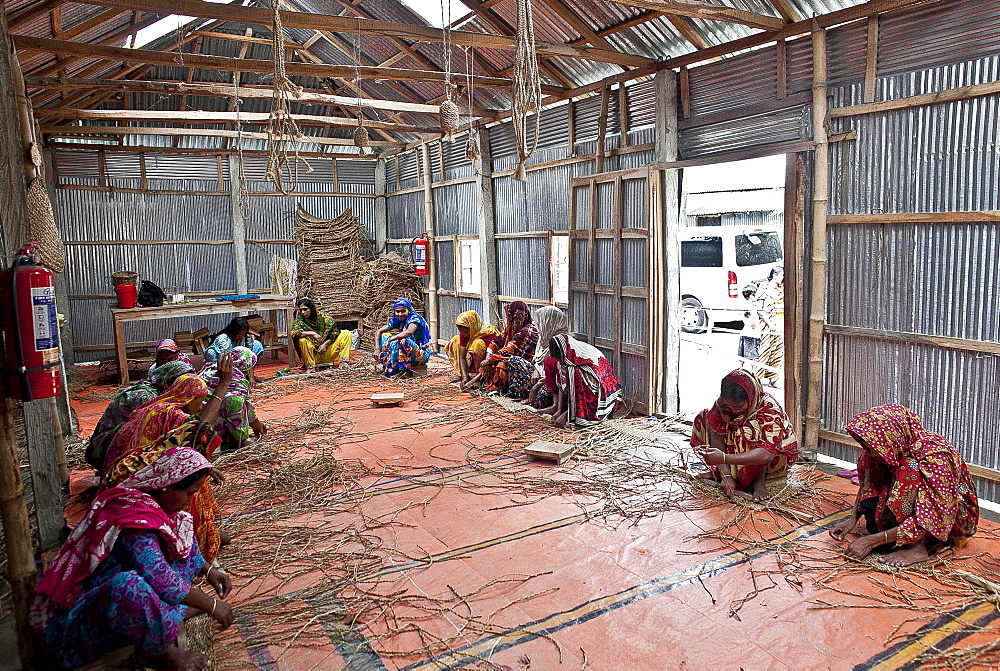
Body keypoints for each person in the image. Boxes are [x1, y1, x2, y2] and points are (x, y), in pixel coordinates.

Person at [30, 447, 234, 670]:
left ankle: (165, 614)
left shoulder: (156, 506)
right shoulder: (134, 521)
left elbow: (184, 547)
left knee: (181, 526)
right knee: (128, 586)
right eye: (187, 493)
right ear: (166, 485)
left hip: (115, 612)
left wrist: (208, 570)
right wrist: (213, 606)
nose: (189, 501)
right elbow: (162, 581)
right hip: (78, 627)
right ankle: (163, 653)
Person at [103, 357, 234, 563]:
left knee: (196, 471)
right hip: (134, 475)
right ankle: (197, 541)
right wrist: (224, 384)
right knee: (194, 486)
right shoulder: (172, 414)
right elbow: (198, 428)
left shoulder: (156, 405)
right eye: (200, 401)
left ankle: (203, 535)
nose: (200, 406)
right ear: (189, 398)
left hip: (124, 468)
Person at [829, 404, 979, 567]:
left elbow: (935, 516)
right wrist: (853, 518)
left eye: (870, 447)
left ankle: (916, 547)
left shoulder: (937, 458)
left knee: (909, 469)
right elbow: (867, 483)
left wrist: (871, 541)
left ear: (893, 436)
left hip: (948, 518)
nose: (870, 451)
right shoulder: (890, 447)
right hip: (919, 512)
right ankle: (892, 532)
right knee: (871, 460)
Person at [692, 369, 798, 501]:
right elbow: (717, 437)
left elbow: (767, 453)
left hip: (774, 458)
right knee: (704, 418)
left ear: (751, 397)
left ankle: (758, 481)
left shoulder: (769, 408)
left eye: (739, 406)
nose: (734, 411)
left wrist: (723, 459)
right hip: (734, 454)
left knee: (747, 431)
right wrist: (726, 476)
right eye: (730, 407)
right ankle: (727, 473)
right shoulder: (724, 404)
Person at [86, 360, 195, 471]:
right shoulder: (146, 396)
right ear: (168, 382)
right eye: (184, 384)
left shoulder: (159, 392)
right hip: (105, 447)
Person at [540, 333, 621, 428]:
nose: (560, 362)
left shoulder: (579, 368)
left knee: (574, 374)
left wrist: (568, 416)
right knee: (562, 368)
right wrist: (559, 410)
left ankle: (573, 413)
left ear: (564, 354)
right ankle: (562, 409)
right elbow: (562, 383)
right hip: (583, 393)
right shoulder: (567, 358)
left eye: (560, 359)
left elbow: (580, 394)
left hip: (599, 397)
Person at [199, 346, 268, 450]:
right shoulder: (237, 382)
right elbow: (248, 409)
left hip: (196, 423)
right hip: (209, 428)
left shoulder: (210, 369)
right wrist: (258, 428)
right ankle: (239, 441)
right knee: (236, 402)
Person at [471, 301, 538, 398]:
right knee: (495, 360)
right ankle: (478, 382)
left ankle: (499, 389)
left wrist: (489, 361)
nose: (509, 320)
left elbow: (508, 349)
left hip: (527, 364)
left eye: (511, 317)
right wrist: (488, 358)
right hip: (512, 359)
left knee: (501, 364)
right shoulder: (511, 328)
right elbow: (496, 341)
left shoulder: (527, 330)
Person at [372, 298, 432, 378]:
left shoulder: (414, 319)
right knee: (384, 336)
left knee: (403, 340)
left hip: (421, 354)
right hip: (410, 352)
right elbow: (378, 332)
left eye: (403, 311)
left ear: (409, 310)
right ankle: (386, 365)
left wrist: (391, 339)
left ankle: (404, 371)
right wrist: (377, 349)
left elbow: (409, 332)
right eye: (397, 311)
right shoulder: (397, 320)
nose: (400, 314)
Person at [289, 298, 352, 373]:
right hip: (312, 356)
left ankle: (343, 362)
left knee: (346, 333)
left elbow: (335, 332)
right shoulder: (299, 321)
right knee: (302, 340)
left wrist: (326, 344)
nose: (302, 312)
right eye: (300, 310)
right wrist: (312, 333)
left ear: (311, 308)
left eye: (305, 309)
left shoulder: (325, 318)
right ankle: (310, 367)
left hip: (327, 353)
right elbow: (294, 333)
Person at [524, 306, 569, 408]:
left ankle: (552, 404)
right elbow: (536, 358)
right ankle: (527, 393)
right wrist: (536, 370)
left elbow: (559, 371)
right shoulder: (543, 337)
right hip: (538, 374)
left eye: (541, 324)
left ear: (549, 323)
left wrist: (538, 384)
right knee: (514, 362)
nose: (538, 327)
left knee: (542, 396)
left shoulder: (561, 342)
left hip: (552, 380)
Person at [444, 311, 500, 389]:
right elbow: (462, 357)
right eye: (461, 332)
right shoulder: (466, 331)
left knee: (477, 343)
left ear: (472, 326)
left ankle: (480, 380)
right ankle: (463, 374)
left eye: (466, 332)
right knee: (456, 340)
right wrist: (464, 377)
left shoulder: (489, 334)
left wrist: (472, 382)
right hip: (472, 361)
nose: (464, 335)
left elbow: (491, 361)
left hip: (488, 366)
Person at [757, 266, 784, 387]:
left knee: (777, 351)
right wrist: (770, 323)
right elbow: (759, 309)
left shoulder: (782, 288)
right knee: (764, 350)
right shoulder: (764, 288)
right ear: (775, 276)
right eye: (782, 276)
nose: (783, 278)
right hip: (768, 324)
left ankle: (773, 378)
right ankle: (757, 378)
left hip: (780, 322)